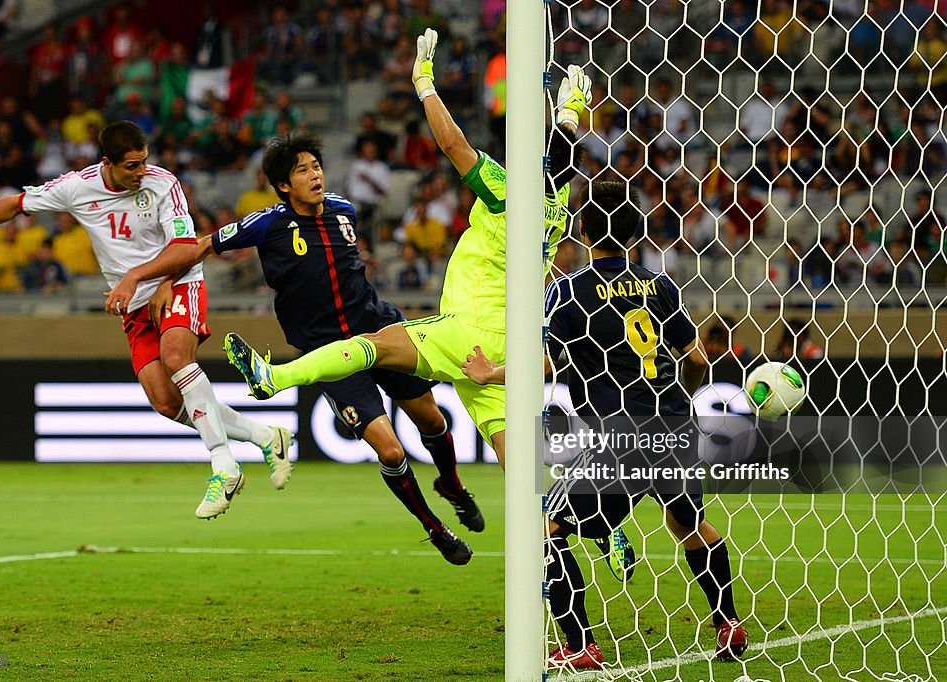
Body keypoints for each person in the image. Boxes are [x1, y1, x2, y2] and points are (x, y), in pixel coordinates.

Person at [222, 29, 589, 468]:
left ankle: (275, 377)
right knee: (520, 472)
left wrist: (425, 84)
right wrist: (572, 109)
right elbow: (561, 156)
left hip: (468, 331)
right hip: (509, 346)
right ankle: (587, 525)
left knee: (372, 346)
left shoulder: (506, 190)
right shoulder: (560, 200)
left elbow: (453, 144)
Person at [141, 130, 481, 565]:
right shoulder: (266, 224)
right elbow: (204, 245)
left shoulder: (343, 210)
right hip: (329, 352)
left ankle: (451, 484)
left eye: (316, 166)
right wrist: (167, 281)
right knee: (391, 451)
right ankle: (434, 528)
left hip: (378, 330)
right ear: (284, 184)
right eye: (302, 170)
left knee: (431, 419)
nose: (315, 174)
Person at [462, 180, 748, 669]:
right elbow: (697, 355)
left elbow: (547, 363)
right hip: (675, 424)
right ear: (636, 232)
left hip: (620, 435)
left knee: (543, 526)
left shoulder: (568, 289)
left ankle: (578, 645)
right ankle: (729, 625)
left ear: (582, 232)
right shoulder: (661, 284)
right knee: (689, 525)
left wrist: (492, 374)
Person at [0, 121, 291, 520]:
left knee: (177, 358)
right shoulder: (77, 186)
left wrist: (139, 277)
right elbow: (17, 203)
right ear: (106, 163)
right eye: (131, 165)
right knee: (165, 401)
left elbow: (186, 247)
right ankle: (267, 436)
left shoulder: (163, 184)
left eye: (143, 161)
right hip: (134, 304)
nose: (141, 171)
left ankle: (223, 466)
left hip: (177, 283)